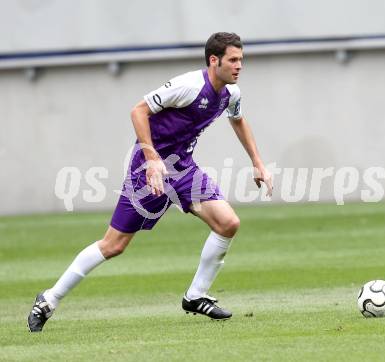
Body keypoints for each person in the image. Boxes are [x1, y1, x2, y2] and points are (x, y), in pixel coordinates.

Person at [28, 32, 273, 332]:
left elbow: (238, 119)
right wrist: (152, 157)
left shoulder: (231, 94)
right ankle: (49, 299)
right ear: (214, 60)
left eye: (241, 60)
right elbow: (138, 110)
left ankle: (195, 295)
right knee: (113, 245)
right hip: (147, 169)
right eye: (233, 60)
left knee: (228, 223)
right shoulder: (188, 86)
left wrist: (257, 162)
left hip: (183, 169)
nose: (239, 66)